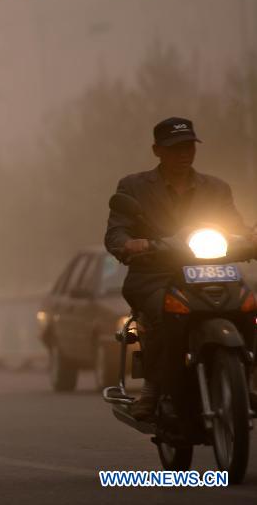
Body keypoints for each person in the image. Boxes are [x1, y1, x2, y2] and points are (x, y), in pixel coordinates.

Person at [105, 117, 257, 420]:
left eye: (188, 146)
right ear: (157, 150)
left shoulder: (216, 188)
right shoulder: (134, 187)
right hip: (155, 274)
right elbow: (115, 233)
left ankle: (247, 379)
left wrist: (250, 238)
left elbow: (236, 228)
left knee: (249, 306)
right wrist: (131, 244)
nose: (184, 153)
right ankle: (153, 388)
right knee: (164, 315)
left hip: (214, 271)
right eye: (175, 148)